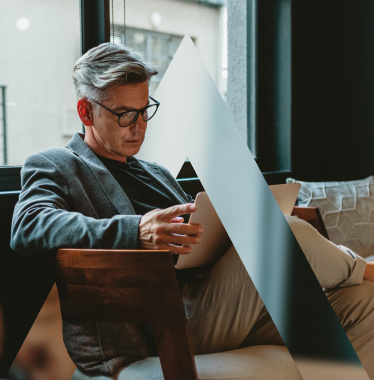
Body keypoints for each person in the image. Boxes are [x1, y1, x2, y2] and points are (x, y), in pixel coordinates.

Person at [10, 43, 374, 378]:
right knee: (286, 232)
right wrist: (137, 230)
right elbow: (29, 226)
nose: (139, 127)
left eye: (144, 110)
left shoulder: (156, 173)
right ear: (86, 111)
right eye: (124, 114)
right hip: (160, 323)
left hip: (212, 304)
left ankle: (354, 284)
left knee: (362, 302)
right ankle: (361, 267)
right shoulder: (57, 165)